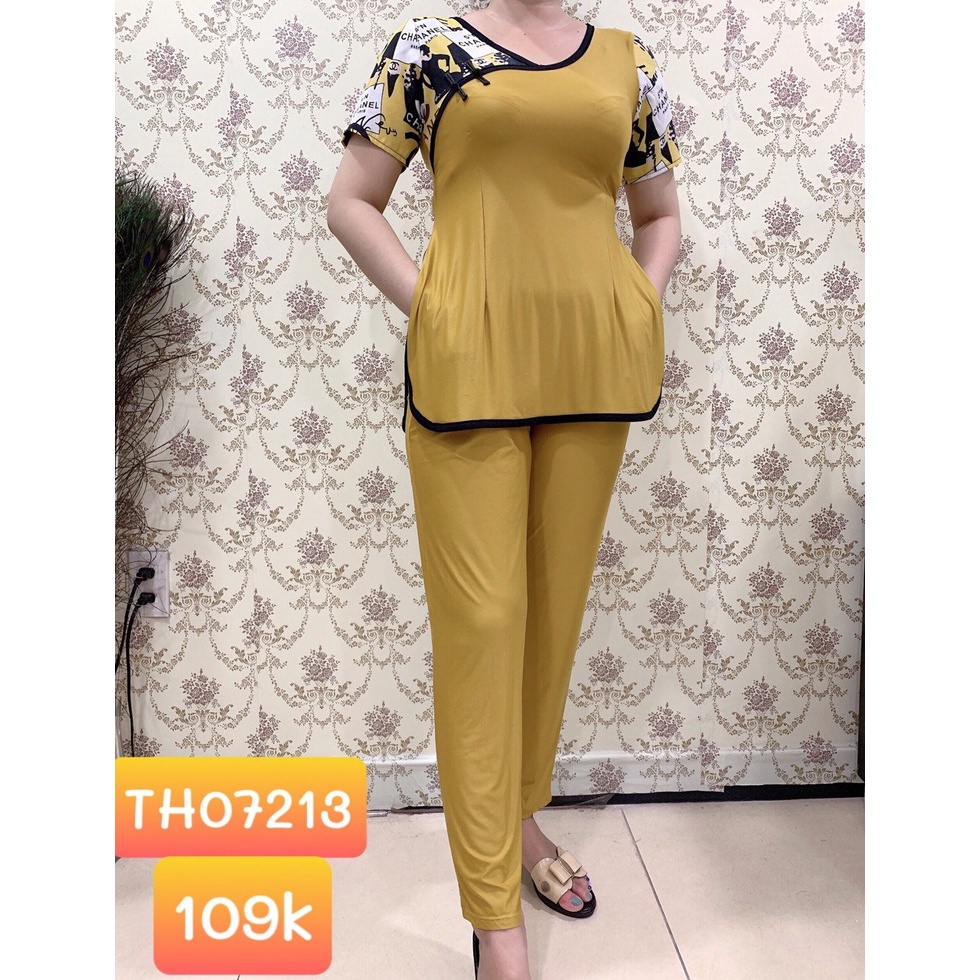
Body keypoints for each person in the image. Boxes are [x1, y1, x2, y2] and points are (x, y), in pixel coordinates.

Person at [327, 2, 681, 976]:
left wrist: (635, 303)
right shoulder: (428, 51)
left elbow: (658, 214)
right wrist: (435, 307)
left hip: (591, 375)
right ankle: (496, 922)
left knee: (549, 621)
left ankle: (518, 820)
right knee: (484, 627)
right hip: (468, 377)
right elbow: (350, 201)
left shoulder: (627, 60)